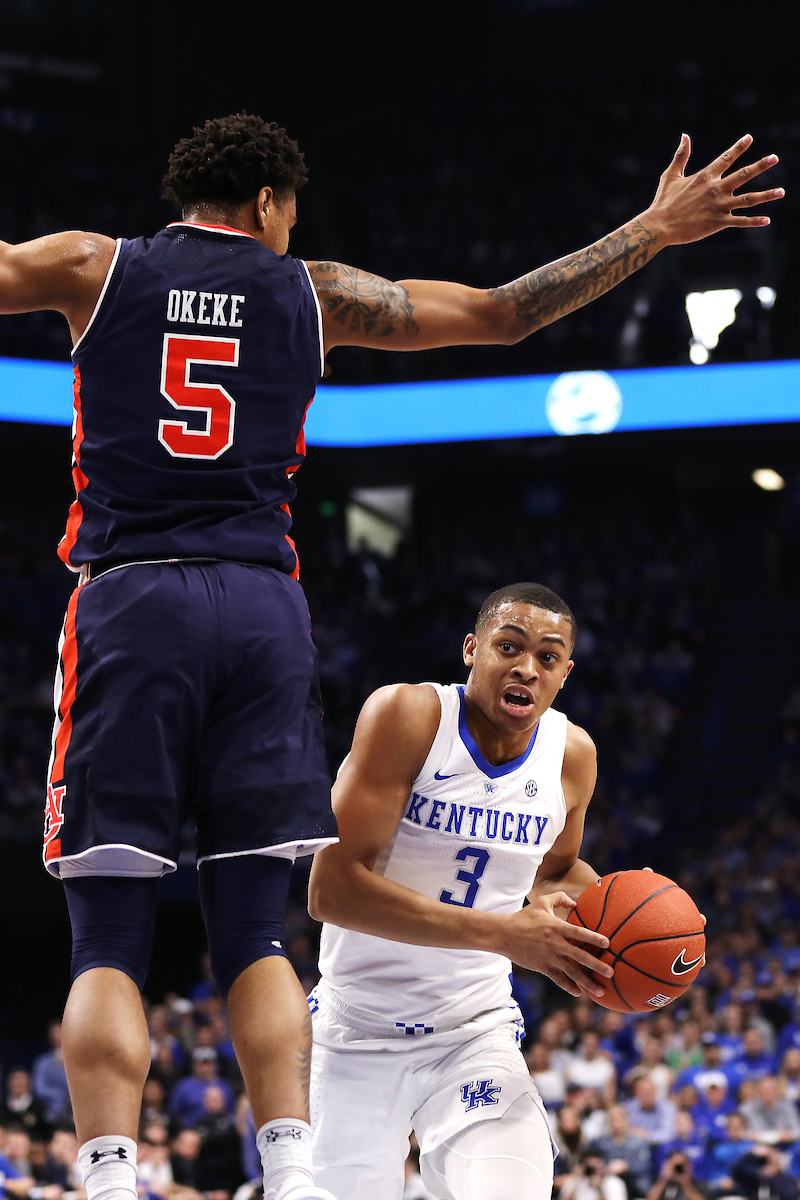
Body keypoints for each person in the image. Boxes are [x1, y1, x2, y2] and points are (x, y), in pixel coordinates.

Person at [0, 113, 782, 1200]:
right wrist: (650, 230)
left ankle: (104, 1175)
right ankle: (289, 1167)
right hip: (263, 607)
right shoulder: (310, 291)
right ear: (272, 204)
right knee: (250, 928)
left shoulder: (92, 265)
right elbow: (507, 314)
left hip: (131, 599)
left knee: (107, 932)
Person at [307, 581, 617, 1200]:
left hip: (474, 1031)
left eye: (548, 657)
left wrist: (621, 911)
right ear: (472, 650)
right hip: (355, 1030)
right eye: (510, 647)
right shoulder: (410, 716)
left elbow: (553, 870)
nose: (527, 667)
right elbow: (332, 890)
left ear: (564, 674)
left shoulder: (570, 755)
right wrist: (503, 934)